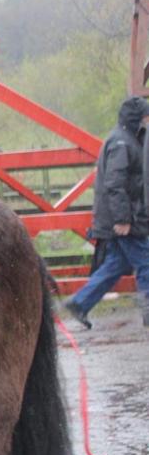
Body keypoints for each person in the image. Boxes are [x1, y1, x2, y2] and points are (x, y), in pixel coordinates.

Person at [63, 95, 149, 329]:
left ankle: (80, 303)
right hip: (123, 218)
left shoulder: (123, 139)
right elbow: (114, 183)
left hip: (121, 216)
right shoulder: (123, 143)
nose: (147, 121)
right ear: (136, 119)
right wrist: (123, 219)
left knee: (117, 264)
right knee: (146, 262)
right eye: (145, 117)